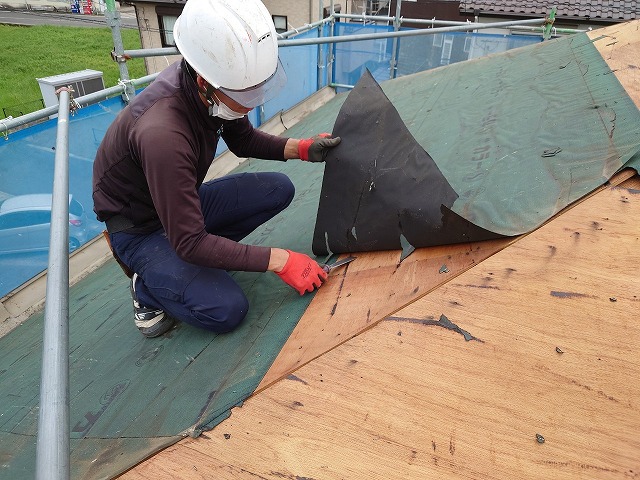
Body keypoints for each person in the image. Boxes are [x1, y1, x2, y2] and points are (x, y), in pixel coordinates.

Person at [92, 0, 341, 338]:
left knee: (278, 189)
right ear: (203, 81)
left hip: (180, 208)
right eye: (244, 93)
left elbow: (243, 140)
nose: (251, 101)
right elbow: (190, 241)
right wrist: (281, 260)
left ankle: (198, 264)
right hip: (140, 231)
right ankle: (147, 288)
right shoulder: (162, 134)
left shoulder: (213, 91)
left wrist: (302, 148)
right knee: (226, 309)